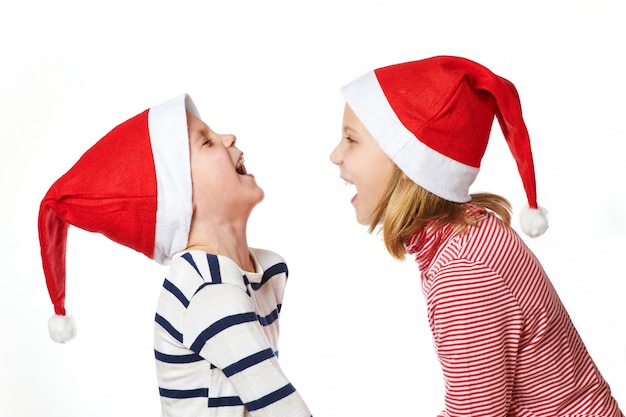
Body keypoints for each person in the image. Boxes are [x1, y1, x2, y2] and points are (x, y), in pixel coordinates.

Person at [330, 56, 623, 417]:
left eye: (351, 140)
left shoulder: (464, 274)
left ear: (406, 163)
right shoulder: (471, 234)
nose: (335, 155)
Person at [38, 94, 312, 416]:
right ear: (183, 197)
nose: (229, 138)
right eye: (207, 143)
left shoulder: (260, 269)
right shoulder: (210, 294)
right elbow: (282, 410)